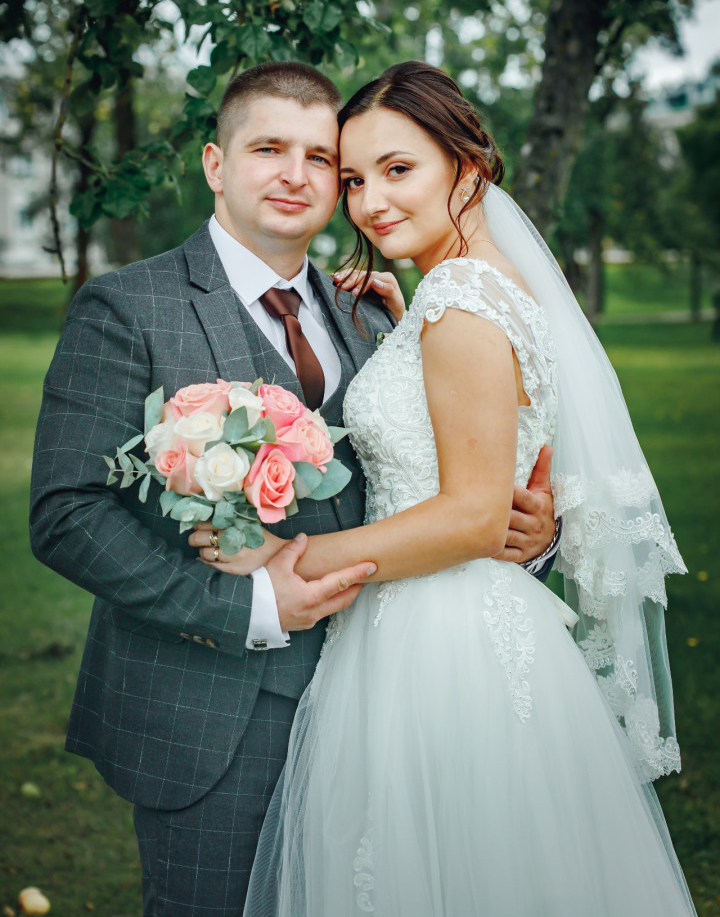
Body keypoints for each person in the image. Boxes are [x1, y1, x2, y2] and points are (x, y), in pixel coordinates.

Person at [29, 61, 558, 915]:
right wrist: (245, 608)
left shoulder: (375, 312)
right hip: (208, 713)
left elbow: (444, 482)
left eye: (323, 159)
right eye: (268, 147)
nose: (296, 175)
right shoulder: (127, 307)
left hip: (388, 699)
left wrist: (528, 534)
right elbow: (65, 513)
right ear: (214, 163)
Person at [191, 61, 696, 916]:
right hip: (450, 626)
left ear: (467, 166)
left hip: (438, 641)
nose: (369, 202)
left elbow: (469, 517)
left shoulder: (461, 298)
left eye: (398, 169)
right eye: (354, 179)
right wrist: (395, 319)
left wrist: (289, 555)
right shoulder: (468, 289)